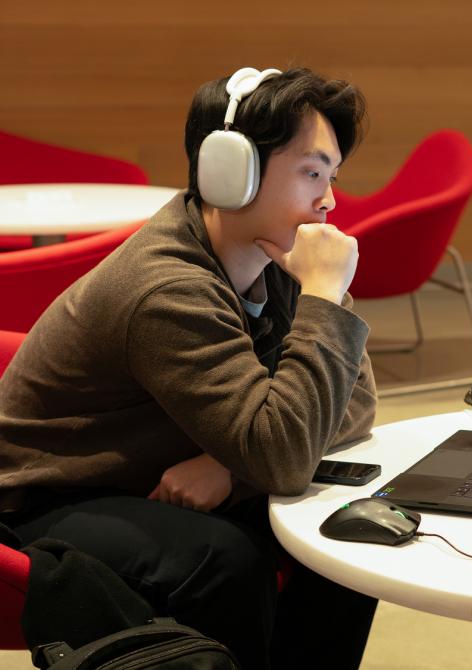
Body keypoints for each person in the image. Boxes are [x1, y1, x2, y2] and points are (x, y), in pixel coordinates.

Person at [0, 66, 378, 669]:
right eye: (311, 173)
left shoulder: (273, 257)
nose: (329, 199)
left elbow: (354, 404)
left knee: (341, 527)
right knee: (225, 562)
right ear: (231, 172)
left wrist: (229, 467)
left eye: (331, 176)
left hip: (154, 468)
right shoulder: (168, 289)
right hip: (43, 499)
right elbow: (284, 455)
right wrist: (325, 297)